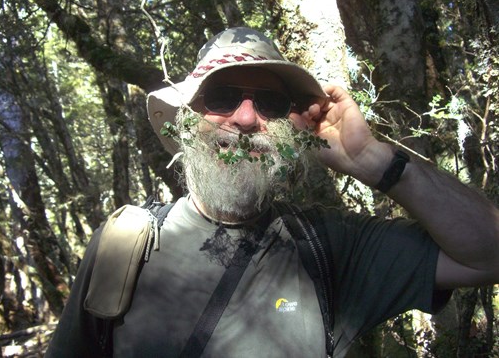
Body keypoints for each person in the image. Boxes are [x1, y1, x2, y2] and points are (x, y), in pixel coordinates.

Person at [46, 27, 499, 357]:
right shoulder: (125, 244)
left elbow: (489, 254)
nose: (245, 120)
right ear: (188, 119)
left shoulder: (332, 246)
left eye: (270, 104)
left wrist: (373, 162)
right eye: (223, 97)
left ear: (288, 127)